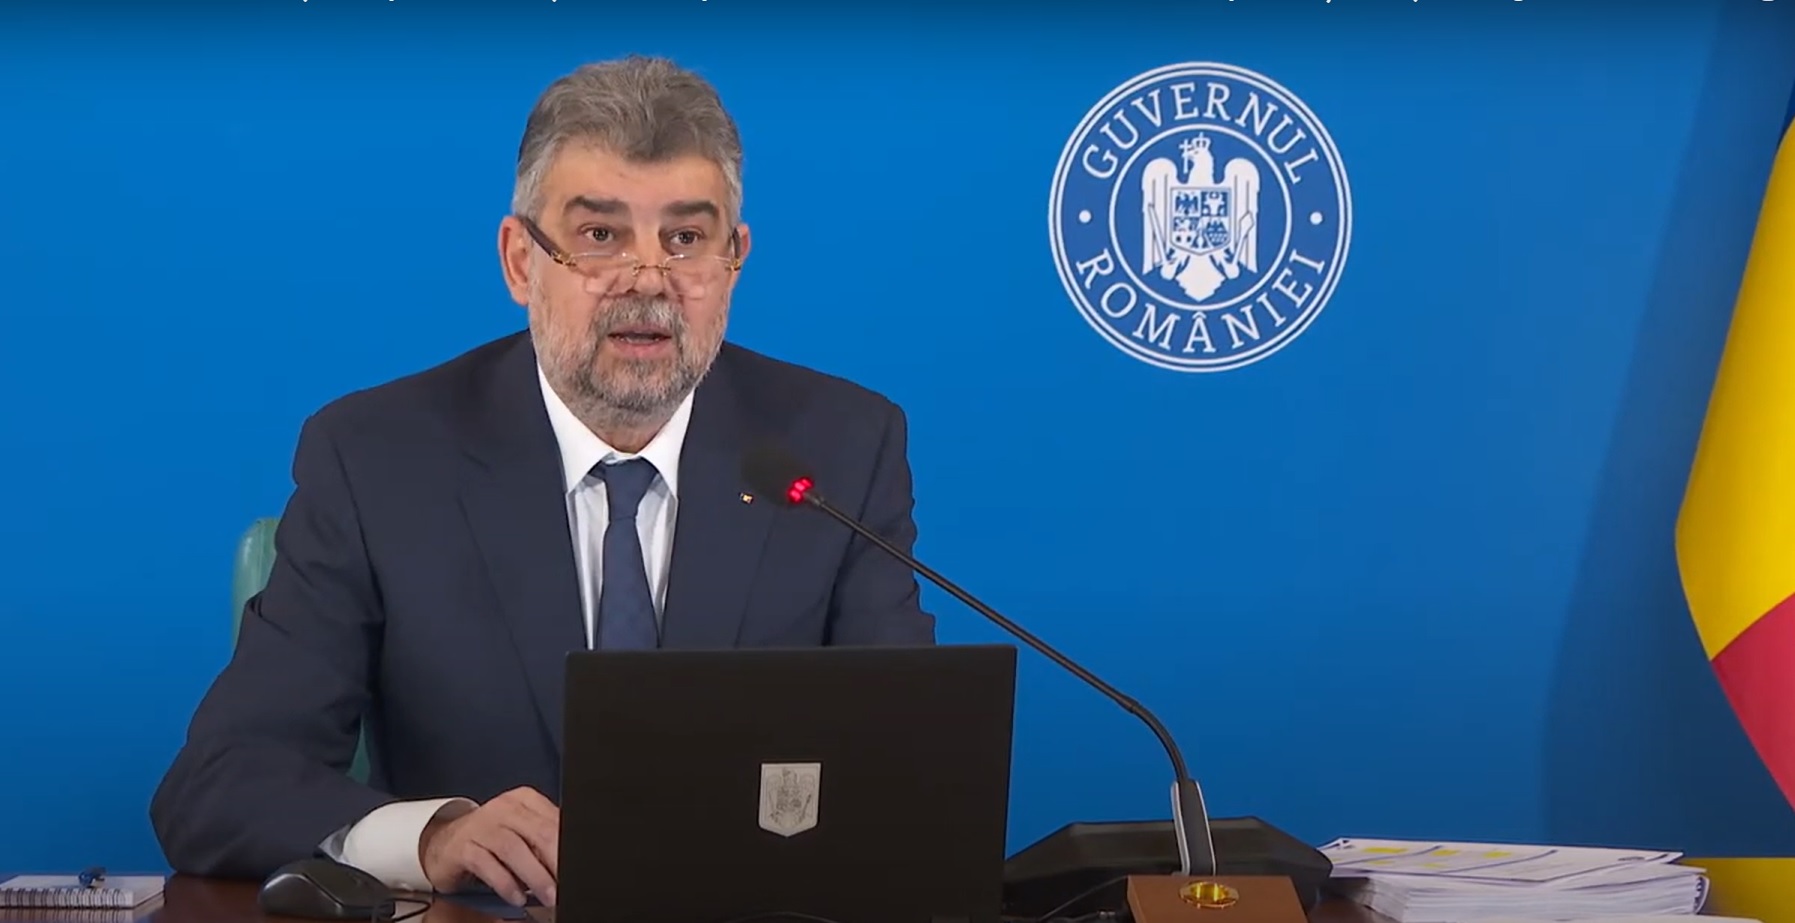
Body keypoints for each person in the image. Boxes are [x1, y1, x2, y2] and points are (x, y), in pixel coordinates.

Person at [149, 55, 935, 906]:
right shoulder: (378, 459)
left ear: (733, 259)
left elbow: (911, 769)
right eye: (600, 236)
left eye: (684, 239)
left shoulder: (839, 448)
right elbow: (219, 783)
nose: (647, 281)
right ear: (520, 260)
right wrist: (431, 836)